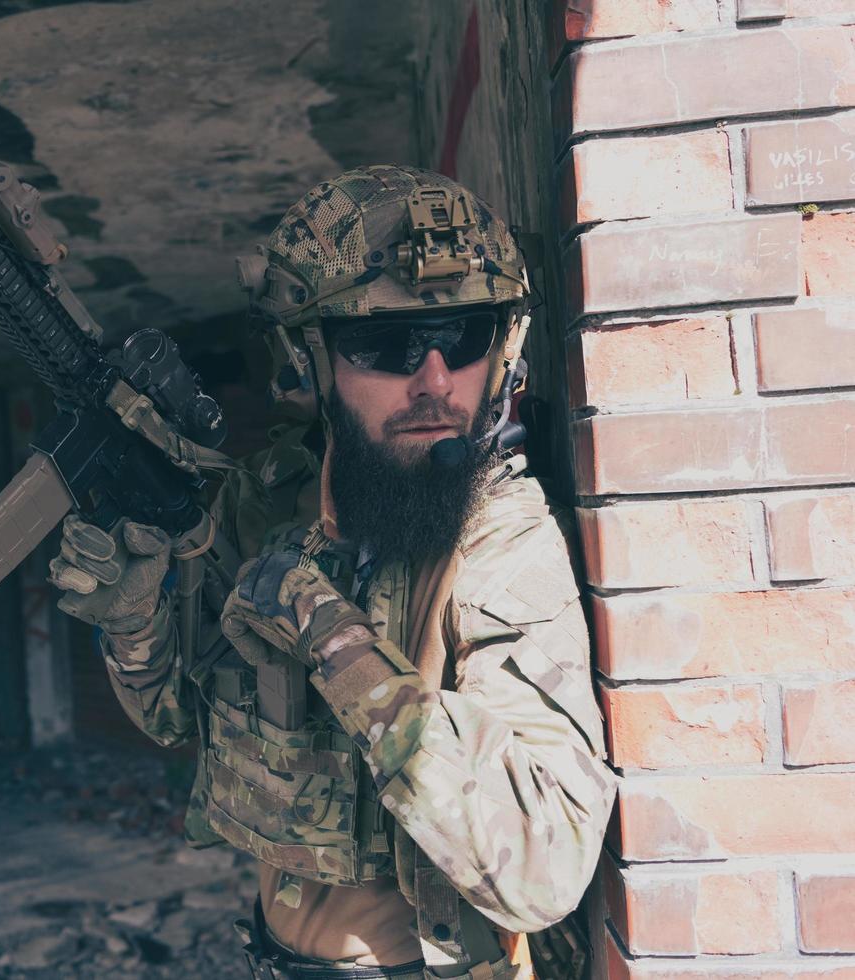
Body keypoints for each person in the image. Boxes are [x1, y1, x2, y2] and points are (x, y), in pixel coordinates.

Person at [48, 165, 617, 980]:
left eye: (463, 338)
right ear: (311, 359)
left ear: (504, 351)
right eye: (384, 345)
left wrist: (332, 634)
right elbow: (183, 718)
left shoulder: (502, 540)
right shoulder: (273, 498)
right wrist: (137, 621)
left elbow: (543, 867)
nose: (432, 379)